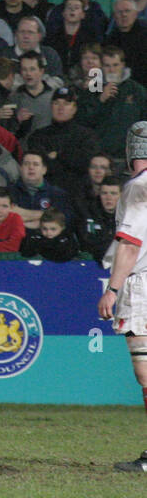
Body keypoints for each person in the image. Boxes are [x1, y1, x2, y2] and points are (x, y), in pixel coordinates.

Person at [100, 121, 147, 471]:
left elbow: (130, 246)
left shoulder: (137, 188)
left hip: (142, 284)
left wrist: (112, 289)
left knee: (145, 369)